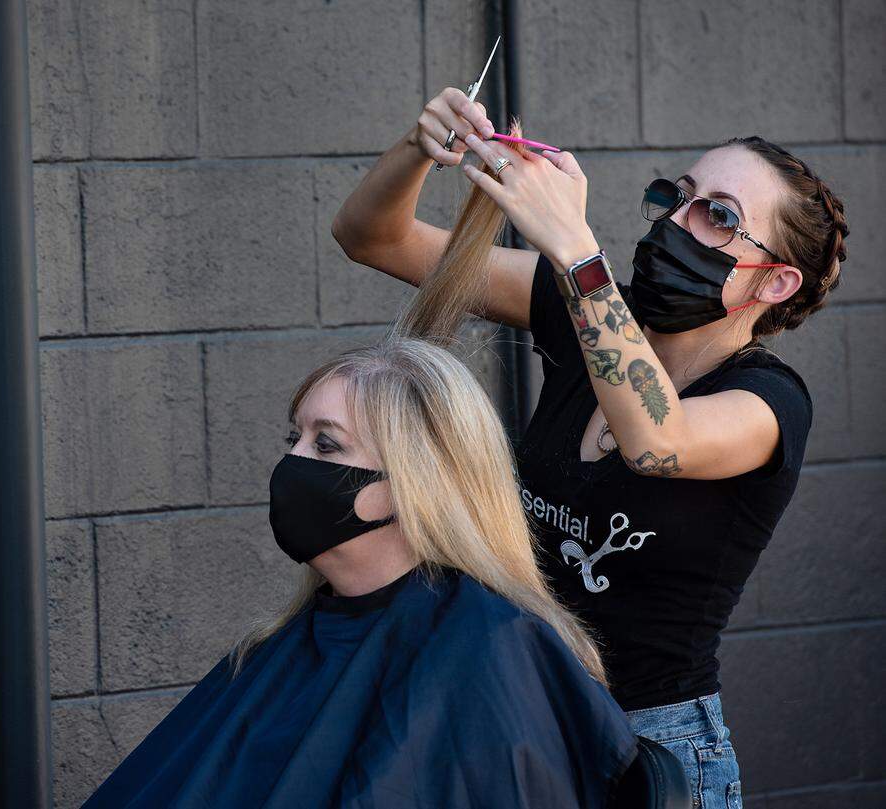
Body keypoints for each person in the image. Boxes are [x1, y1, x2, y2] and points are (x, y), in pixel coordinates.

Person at [331, 87, 849, 809]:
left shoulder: (770, 401)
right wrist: (420, 150)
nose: (678, 220)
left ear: (776, 280)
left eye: (719, 217)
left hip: (652, 754)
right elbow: (373, 238)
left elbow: (657, 440)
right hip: (521, 720)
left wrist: (575, 248)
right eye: (680, 195)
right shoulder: (589, 311)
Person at [81, 265, 642, 806]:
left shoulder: (488, 650)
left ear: (412, 485)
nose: (291, 463)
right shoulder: (293, 639)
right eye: (294, 438)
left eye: (326, 445)